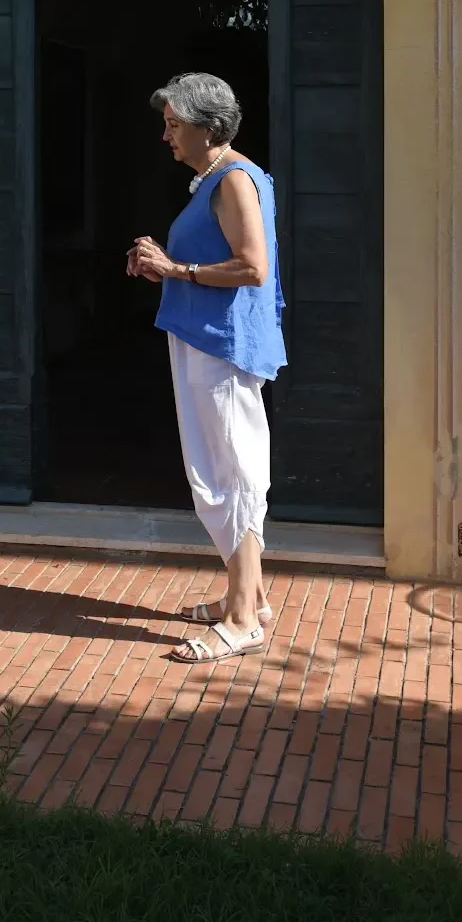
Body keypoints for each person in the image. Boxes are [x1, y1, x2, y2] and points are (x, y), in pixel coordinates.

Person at [126, 72, 286, 665]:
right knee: (219, 467)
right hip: (202, 336)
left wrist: (176, 270)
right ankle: (250, 596)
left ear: (206, 127)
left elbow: (252, 268)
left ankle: (244, 619)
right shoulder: (214, 180)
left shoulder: (235, 179)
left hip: (223, 344)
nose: (165, 135)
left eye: (173, 124)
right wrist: (165, 265)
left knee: (232, 470)